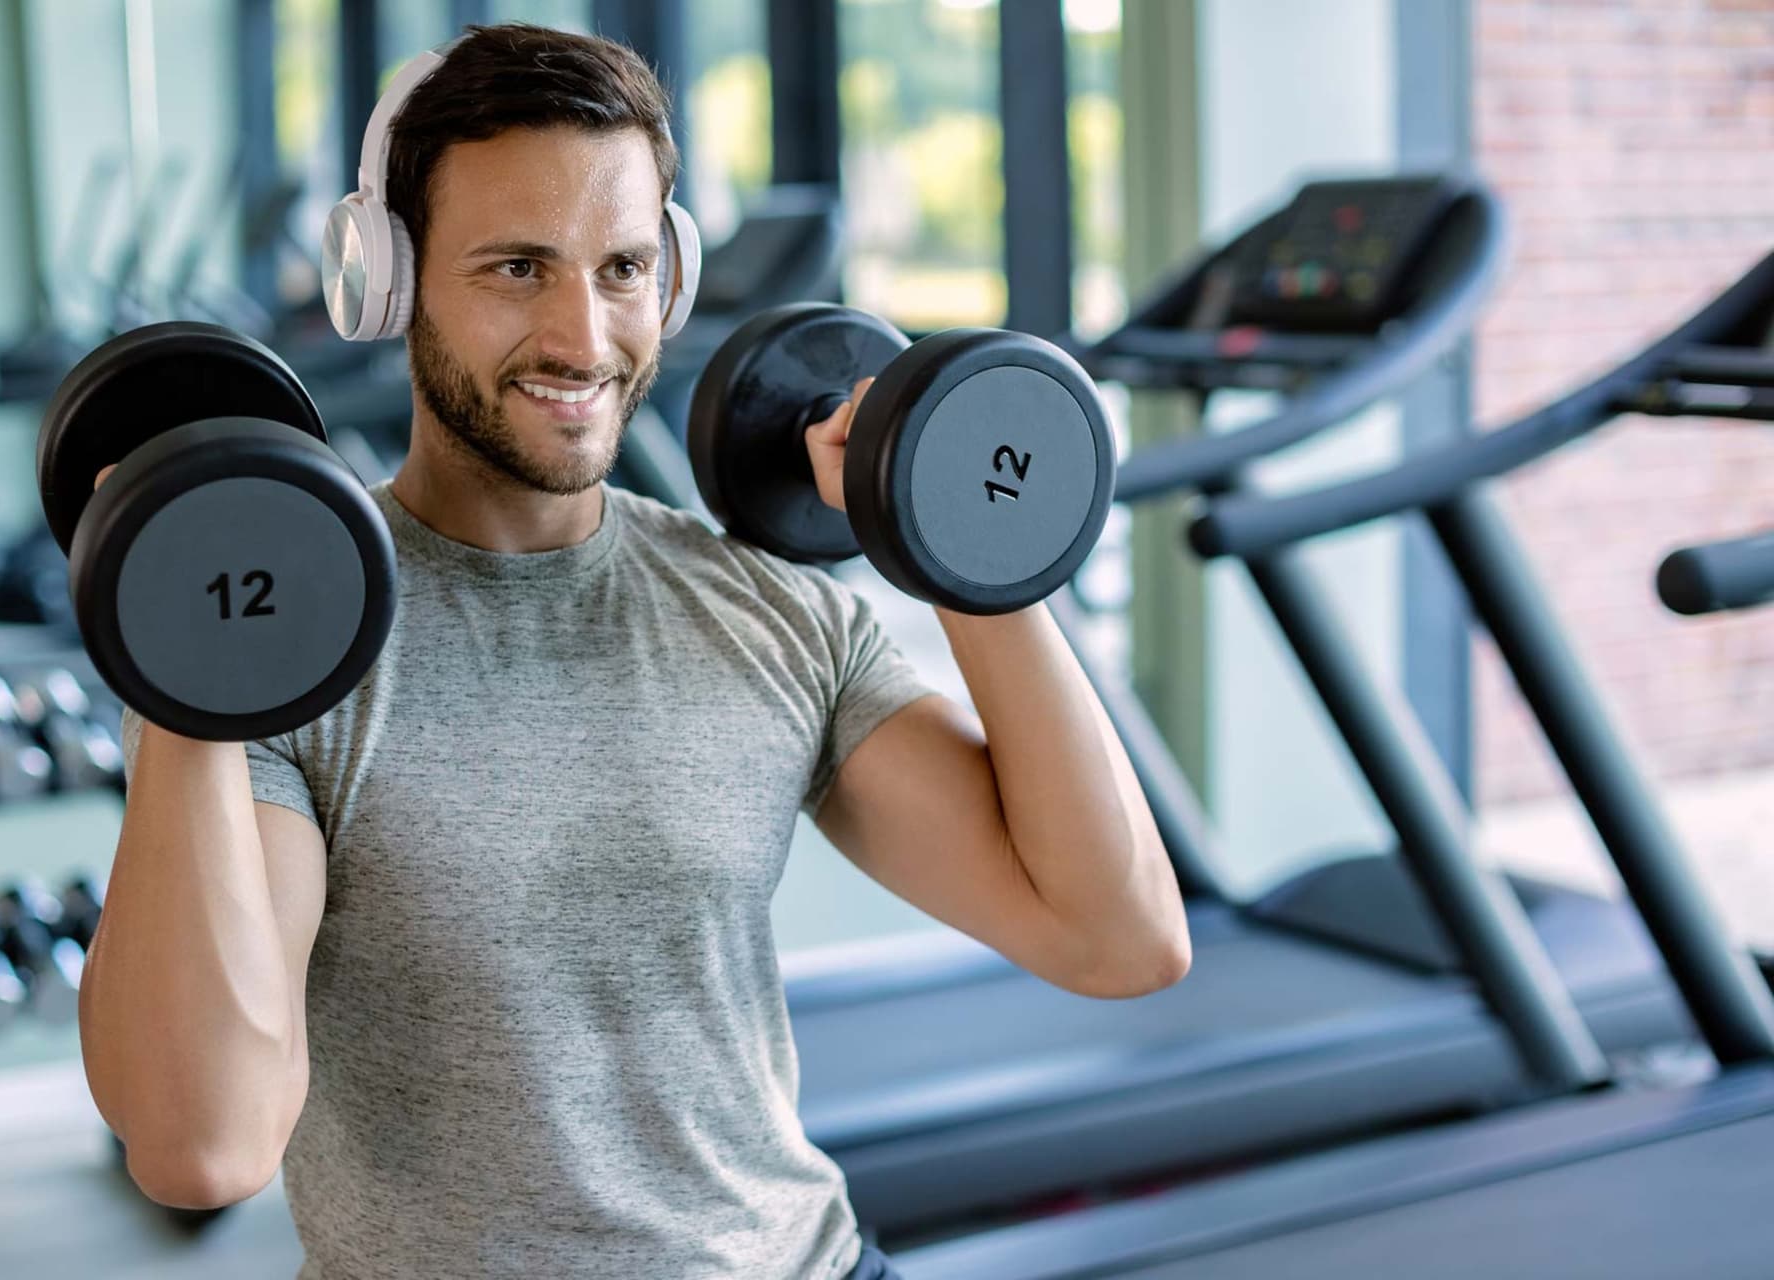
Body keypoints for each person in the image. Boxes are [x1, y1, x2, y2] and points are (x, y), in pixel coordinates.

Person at [77, 22, 1186, 1280]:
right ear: (386, 279)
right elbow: (204, 1147)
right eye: (516, 268)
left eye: (621, 267)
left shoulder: (763, 610)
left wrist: (952, 538)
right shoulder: (282, 657)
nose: (583, 335)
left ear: (671, 278)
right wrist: (181, 637)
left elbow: (1117, 937)